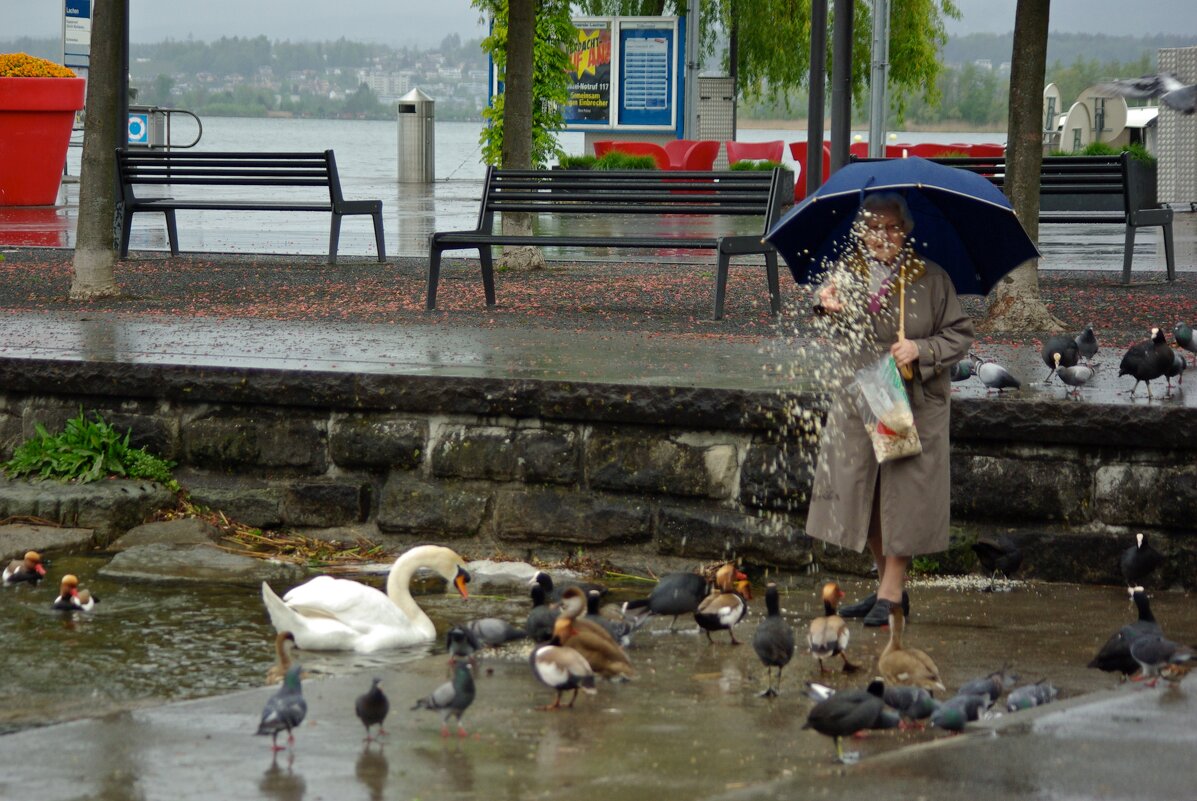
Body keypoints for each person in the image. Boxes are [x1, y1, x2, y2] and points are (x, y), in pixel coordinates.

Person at [806, 192, 974, 627]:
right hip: (865, 394)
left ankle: (891, 592)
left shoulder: (931, 279)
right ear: (861, 232)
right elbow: (838, 330)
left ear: (907, 231)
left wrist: (921, 347)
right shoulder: (846, 274)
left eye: (893, 227)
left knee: (903, 493)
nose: (884, 236)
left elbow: (960, 335)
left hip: (910, 398)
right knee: (874, 494)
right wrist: (826, 309)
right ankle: (887, 589)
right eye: (874, 227)